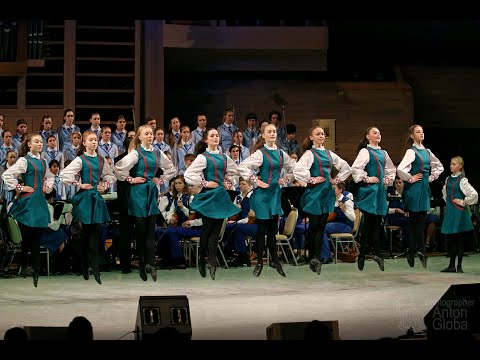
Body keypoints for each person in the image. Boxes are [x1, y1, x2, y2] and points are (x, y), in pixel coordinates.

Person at [114, 125, 176, 281]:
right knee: (141, 230)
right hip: (138, 193)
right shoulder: (136, 153)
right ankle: (141, 264)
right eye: (146, 134)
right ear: (140, 137)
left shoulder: (158, 153)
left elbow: (171, 169)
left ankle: (150, 263)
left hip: (151, 192)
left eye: (151, 133)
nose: (150, 136)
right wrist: (130, 179)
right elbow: (118, 168)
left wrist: (161, 180)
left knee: (150, 230)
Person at [238, 123, 296, 277]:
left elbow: (294, 167)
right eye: (269, 132)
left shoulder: (282, 153)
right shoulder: (260, 153)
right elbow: (243, 166)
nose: (272, 134)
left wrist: (286, 178)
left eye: (274, 132)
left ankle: (274, 260)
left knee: (272, 230)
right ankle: (259, 263)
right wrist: (255, 180)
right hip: (262, 195)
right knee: (261, 230)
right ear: (262, 135)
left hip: (275, 194)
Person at [60, 130, 117, 285]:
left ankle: (93, 266)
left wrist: (104, 185)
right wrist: (78, 184)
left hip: (96, 198)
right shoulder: (80, 160)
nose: (94, 142)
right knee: (86, 235)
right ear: (84, 143)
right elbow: (64, 175)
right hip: (85, 198)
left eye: (95, 140)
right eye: (90, 140)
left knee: (95, 233)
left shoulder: (100, 160)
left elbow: (111, 176)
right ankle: (85, 265)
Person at [293, 126, 352, 275]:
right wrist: (311, 179)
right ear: (311, 137)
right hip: (314, 193)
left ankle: (317, 258)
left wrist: (336, 179)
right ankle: (312, 256)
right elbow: (298, 170)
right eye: (318, 134)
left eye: (323, 134)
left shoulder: (329, 154)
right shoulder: (309, 153)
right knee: (313, 227)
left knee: (321, 227)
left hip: (326, 192)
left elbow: (346, 167)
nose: (321, 136)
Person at [184, 128, 240, 280]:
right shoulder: (203, 157)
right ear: (206, 140)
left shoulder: (224, 157)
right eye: (212, 136)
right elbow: (188, 174)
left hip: (220, 196)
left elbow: (236, 170)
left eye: (217, 135)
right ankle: (202, 260)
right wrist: (204, 182)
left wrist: (229, 180)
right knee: (208, 229)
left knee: (216, 231)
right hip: (209, 197)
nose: (215, 138)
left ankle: (213, 263)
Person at [1, 133, 51, 287]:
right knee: (28, 238)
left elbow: (49, 177)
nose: (40, 144)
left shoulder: (43, 161)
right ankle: (26, 266)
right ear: (29, 144)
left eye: (41, 142)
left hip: (39, 202)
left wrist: (46, 186)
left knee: (36, 238)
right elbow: (7, 174)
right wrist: (20, 187)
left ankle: (34, 270)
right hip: (28, 203)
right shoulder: (24, 160)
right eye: (36, 141)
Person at [397, 124, 444, 268]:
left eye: (422, 131)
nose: (421, 134)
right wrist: (410, 178)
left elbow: (439, 166)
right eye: (418, 132)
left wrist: (430, 177)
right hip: (414, 189)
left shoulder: (427, 151)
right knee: (414, 221)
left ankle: (414, 251)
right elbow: (400, 168)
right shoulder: (411, 152)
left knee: (421, 221)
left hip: (423, 189)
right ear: (412, 135)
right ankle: (418, 251)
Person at [351, 126, 396, 271]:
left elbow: (391, 169)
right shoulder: (365, 151)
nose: (378, 135)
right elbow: (356, 168)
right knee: (370, 223)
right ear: (368, 136)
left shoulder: (383, 152)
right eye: (375, 133)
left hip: (380, 192)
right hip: (370, 192)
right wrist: (367, 178)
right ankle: (363, 254)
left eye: (379, 133)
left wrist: (388, 178)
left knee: (377, 223)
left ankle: (376, 253)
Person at [440, 156, 478, 273]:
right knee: (451, 238)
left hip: (459, 212)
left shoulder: (462, 180)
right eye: (451, 164)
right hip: (451, 211)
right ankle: (451, 265)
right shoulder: (448, 179)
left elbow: (474, 194)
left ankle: (459, 266)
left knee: (459, 238)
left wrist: (463, 202)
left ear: (460, 166)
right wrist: (449, 203)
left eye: (454, 164)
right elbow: (445, 194)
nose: (451, 166)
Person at [113, 136, 134, 274]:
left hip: (126, 202)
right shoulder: (122, 160)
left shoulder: (118, 160)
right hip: (131, 201)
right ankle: (129, 264)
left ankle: (126, 265)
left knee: (125, 234)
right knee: (131, 233)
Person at [322, 182, 356, 263]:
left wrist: (344, 210)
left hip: (345, 225)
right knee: (319, 227)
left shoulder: (346, 201)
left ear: (340, 190)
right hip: (334, 225)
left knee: (322, 228)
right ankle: (323, 254)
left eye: (334, 189)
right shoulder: (332, 200)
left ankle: (327, 256)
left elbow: (353, 217)